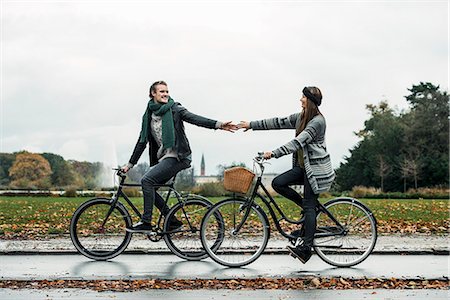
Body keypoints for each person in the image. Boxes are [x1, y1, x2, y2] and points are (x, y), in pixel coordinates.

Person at [122, 81, 237, 233]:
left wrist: (219, 124)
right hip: (165, 158)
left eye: (167, 91)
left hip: (178, 156)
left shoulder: (175, 109)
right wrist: (130, 164)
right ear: (153, 94)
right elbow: (142, 141)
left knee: (146, 180)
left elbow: (195, 118)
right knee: (150, 187)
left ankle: (146, 222)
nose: (165, 94)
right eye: (162, 91)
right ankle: (173, 221)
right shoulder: (148, 115)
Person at [238, 86, 335, 263]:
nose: (300, 100)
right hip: (303, 168)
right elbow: (277, 122)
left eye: (303, 97)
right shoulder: (300, 118)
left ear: (310, 101)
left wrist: (273, 153)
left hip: (315, 171)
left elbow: (298, 142)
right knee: (278, 183)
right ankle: (307, 211)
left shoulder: (317, 122)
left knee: (309, 206)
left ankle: (306, 249)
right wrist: (251, 125)